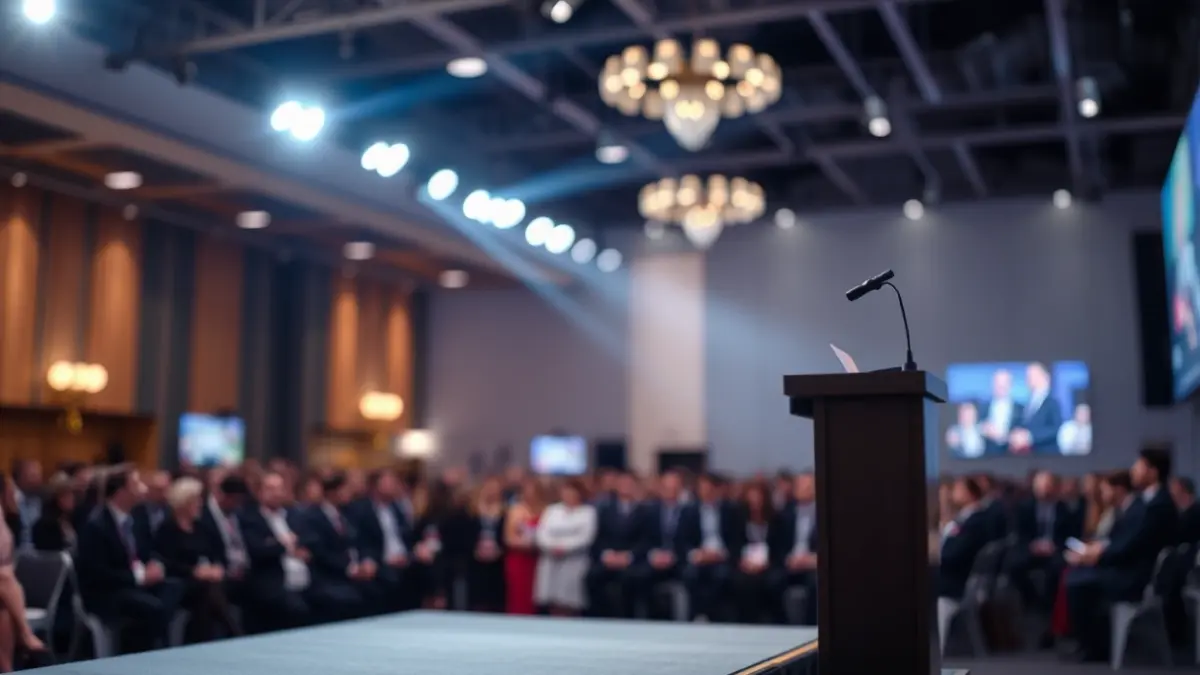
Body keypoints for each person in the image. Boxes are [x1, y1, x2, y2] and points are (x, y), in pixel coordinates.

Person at [1064, 449, 1179, 661]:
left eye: (1139, 466)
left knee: (1078, 583)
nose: (1133, 470)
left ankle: (1094, 647)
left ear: (1152, 471)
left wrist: (1098, 556)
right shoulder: (1151, 501)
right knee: (1078, 577)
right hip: (1134, 569)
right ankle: (1092, 644)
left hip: (1138, 576)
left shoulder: (1157, 505)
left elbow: (1132, 545)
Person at [75, 467, 183, 653]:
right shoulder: (97, 526)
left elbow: (148, 551)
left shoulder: (135, 518)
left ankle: (149, 645)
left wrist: (154, 565)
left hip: (132, 583)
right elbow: (98, 574)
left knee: (173, 586)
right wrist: (139, 577)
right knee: (153, 607)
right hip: (107, 591)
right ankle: (151, 651)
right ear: (121, 492)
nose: (142, 489)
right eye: (135, 484)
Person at [153, 478, 242, 643]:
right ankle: (233, 634)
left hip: (206, 580)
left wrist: (217, 568)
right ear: (183, 502)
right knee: (208, 591)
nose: (201, 504)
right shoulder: (167, 529)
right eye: (196, 500)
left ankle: (208, 639)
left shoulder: (202, 527)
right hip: (181, 582)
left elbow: (217, 553)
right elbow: (166, 562)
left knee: (209, 593)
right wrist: (193, 571)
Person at [238, 471, 313, 633]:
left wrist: (300, 549)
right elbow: (258, 550)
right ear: (259, 492)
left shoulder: (294, 515)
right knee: (295, 608)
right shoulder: (250, 519)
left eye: (279, 488)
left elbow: (307, 540)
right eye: (270, 489)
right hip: (271, 580)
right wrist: (283, 545)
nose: (276, 493)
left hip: (305, 578)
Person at [679, 474, 741, 622]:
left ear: (716, 489)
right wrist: (695, 554)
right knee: (690, 575)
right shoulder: (689, 511)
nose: (705, 492)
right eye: (702, 489)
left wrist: (721, 554)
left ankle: (713, 617)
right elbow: (681, 541)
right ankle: (697, 615)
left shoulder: (730, 510)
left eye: (709, 488)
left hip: (721, 557)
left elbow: (737, 540)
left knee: (722, 576)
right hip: (698, 558)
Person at [585, 471, 643, 618]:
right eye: (623, 484)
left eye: (629, 484)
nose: (626, 487)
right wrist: (606, 554)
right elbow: (598, 538)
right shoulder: (605, 510)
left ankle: (627, 620)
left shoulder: (645, 510)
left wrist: (629, 556)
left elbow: (646, 540)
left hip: (630, 560)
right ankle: (596, 619)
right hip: (609, 557)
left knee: (629, 580)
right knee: (591, 576)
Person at [534, 480, 596, 616]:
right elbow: (542, 533)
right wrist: (553, 547)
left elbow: (586, 537)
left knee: (570, 601)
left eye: (572, 491)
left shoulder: (587, 512)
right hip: (550, 558)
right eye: (565, 491)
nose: (568, 494)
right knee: (552, 599)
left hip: (574, 561)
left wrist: (564, 547)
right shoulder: (552, 510)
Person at [461, 477, 507, 612]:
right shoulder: (471, 511)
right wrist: (474, 548)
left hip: (497, 561)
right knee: (477, 600)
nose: (492, 492)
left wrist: (500, 550)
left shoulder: (505, 511)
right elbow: (464, 534)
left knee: (495, 600)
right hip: (476, 560)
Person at [731, 482, 774, 623]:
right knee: (741, 581)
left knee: (769, 581)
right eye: (752, 498)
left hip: (768, 563)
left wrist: (766, 563)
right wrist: (742, 561)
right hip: (745, 563)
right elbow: (735, 545)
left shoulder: (776, 520)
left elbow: (779, 547)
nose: (755, 502)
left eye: (758, 498)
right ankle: (745, 620)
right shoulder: (739, 519)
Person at [503, 478, 544, 614]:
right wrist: (526, 544)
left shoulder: (547, 510)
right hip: (519, 559)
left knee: (536, 596)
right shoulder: (515, 510)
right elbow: (508, 538)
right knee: (519, 595)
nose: (530, 494)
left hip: (538, 560)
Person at [1009, 362, 1063, 454]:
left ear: (1045, 377)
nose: (1028, 379)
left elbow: (1055, 428)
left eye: (1032, 375)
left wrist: (1030, 436)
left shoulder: (1053, 402)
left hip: (1048, 455)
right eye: (1027, 376)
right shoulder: (1027, 402)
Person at [979, 370, 1022, 455]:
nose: (1001, 386)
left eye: (1004, 383)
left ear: (1010, 385)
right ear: (993, 384)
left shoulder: (1021, 408)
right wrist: (983, 429)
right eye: (998, 383)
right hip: (988, 455)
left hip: (1014, 455)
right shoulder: (982, 407)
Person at [31, 474, 76, 552]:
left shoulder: (71, 519)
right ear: (56, 498)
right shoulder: (46, 525)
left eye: (72, 494)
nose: (72, 498)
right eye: (66, 495)